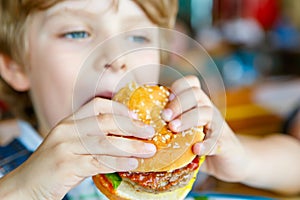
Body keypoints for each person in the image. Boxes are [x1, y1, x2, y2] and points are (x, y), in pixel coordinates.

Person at [0, 1, 299, 200]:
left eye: (138, 38)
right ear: (15, 66)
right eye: (77, 33)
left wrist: (246, 161)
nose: (117, 57)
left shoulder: (175, 152)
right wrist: (24, 188)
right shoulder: (11, 174)